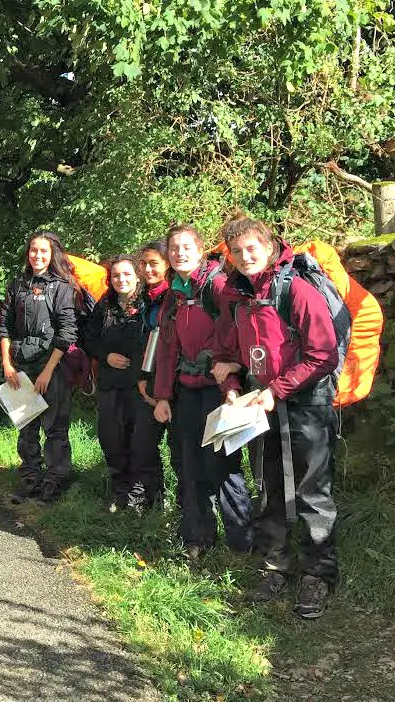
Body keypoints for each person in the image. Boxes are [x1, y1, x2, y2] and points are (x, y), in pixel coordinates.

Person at [212, 214, 340, 618]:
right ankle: (275, 565)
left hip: (307, 404)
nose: (246, 256)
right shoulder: (237, 299)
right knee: (270, 488)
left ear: (269, 248)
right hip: (260, 406)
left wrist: (275, 391)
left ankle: (317, 574)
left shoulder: (297, 291)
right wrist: (232, 391)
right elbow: (227, 356)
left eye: (252, 248)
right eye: (237, 251)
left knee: (312, 492)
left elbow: (324, 354)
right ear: (230, 257)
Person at [151, 224, 252, 560]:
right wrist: (163, 396)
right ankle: (196, 538)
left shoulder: (218, 285)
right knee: (189, 466)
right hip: (186, 392)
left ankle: (241, 543)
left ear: (200, 248)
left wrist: (233, 383)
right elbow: (167, 349)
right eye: (174, 248)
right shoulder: (173, 294)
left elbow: (242, 332)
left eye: (186, 247)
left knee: (222, 466)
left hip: (218, 391)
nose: (179, 253)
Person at [0, 231, 80, 505]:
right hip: (21, 366)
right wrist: (7, 364)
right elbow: (4, 326)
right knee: (26, 427)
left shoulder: (62, 287)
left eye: (43, 251)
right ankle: (31, 480)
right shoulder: (17, 285)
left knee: (55, 428)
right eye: (33, 250)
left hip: (51, 368)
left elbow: (67, 333)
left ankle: (54, 482)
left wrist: (47, 372)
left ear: (52, 253)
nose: (38, 255)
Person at [82, 254, 162, 511]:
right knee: (112, 438)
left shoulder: (147, 303)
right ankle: (121, 491)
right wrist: (106, 355)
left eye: (127, 274)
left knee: (141, 441)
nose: (121, 279)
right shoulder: (105, 304)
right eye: (116, 275)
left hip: (140, 385)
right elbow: (89, 338)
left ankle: (147, 495)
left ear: (137, 276)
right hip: (110, 383)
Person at [135, 240, 175, 509]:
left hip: (173, 381)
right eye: (144, 264)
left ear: (167, 265)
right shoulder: (142, 298)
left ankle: (184, 504)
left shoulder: (174, 297)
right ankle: (155, 499)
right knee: (144, 443)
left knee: (179, 448)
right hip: (148, 379)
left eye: (154, 264)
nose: (148, 269)